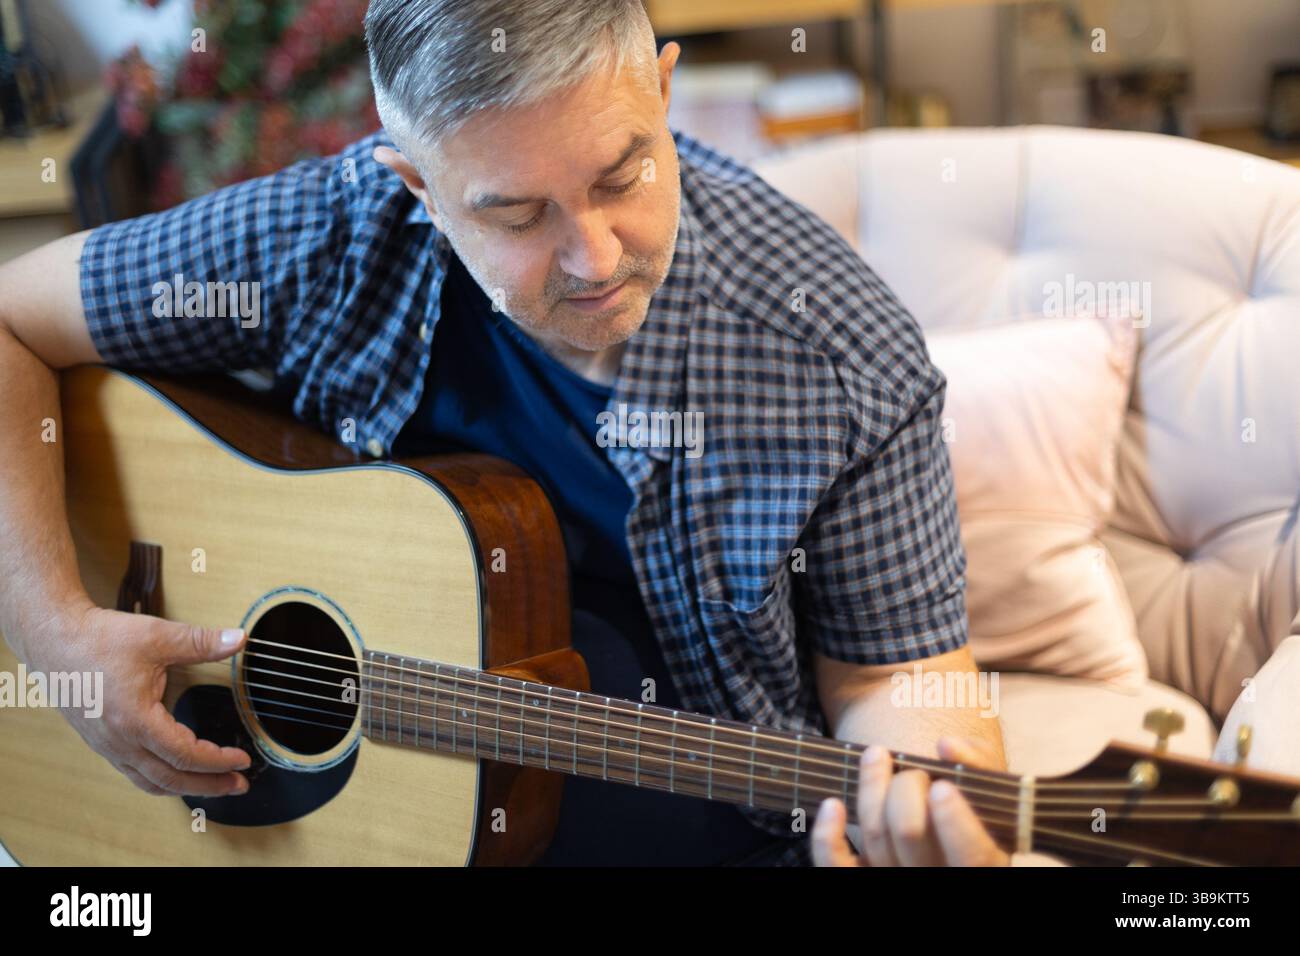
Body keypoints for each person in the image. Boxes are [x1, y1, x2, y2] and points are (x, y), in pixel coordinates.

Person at [0, 0, 1007, 866]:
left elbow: (896, 676)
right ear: (419, 190)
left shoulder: (835, 349)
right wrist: (56, 630)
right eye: (517, 215)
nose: (594, 256)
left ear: (663, 91)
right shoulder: (329, 235)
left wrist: (928, 803)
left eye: (622, 175)